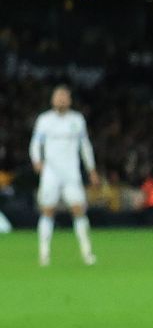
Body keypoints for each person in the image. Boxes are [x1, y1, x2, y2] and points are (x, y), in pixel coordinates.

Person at [29, 84, 97, 267]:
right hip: (51, 173)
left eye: (64, 96)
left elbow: (85, 146)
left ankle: (87, 252)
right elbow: (35, 144)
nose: (60, 99)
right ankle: (44, 254)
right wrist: (36, 160)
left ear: (69, 100)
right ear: (52, 99)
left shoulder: (77, 120)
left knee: (78, 210)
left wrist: (91, 169)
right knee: (47, 211)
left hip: (71, 174)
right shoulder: (44, 120)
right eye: (57, 96)